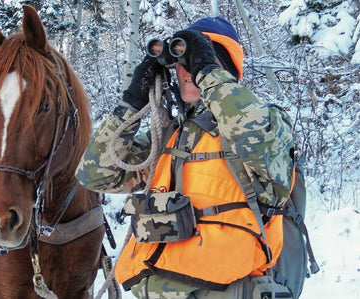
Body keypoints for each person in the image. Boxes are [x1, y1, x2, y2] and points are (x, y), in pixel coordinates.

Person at [76, 17, 294, 298]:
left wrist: (207, 71)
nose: (188, 71)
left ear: (224, 70)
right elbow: (95, 174)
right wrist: (131, 103)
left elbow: (253, 132)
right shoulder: (169, 137)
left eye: (201, 60)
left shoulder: (269, 124)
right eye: (182, 61)